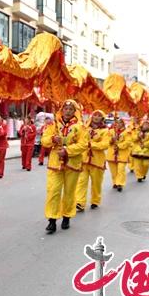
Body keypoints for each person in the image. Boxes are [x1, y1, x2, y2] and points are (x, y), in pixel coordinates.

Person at [41, 100, 88, 234]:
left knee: (69, 192)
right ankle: (52, 220)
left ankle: (67, 216)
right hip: (55, 163)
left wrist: (68, 150)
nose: (68, 111)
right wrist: (52, 140)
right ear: (62, 110)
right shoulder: (53, 125)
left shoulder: (80, 127)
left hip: (72, 164)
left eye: (70, 109)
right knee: (53, 191)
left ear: (75, 112)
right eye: (65, 108)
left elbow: (83, 144)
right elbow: (44, 140)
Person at [74, 110, 111, 211]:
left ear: (102, 118)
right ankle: (80, 203)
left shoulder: (105, 131)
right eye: (95, 115)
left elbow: (105, 145)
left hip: (97, 161)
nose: (96, 117)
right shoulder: (85, 128)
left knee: (96, 183)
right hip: (84, 159)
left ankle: (95, 200)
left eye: (99, 116)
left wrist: (92, 144)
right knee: (82, 182)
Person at [106, 118, 132, 192]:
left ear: (123, 124)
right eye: (117, 123)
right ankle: (115, 182)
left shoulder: (127, 132)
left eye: (120, 123)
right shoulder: (111, 131)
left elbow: (128, 142)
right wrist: (112, 140)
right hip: (112, 154)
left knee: (121, 169)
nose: (118, 124)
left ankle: (120, 183)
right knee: (113, 171)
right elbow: (106, 141)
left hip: (122, 154)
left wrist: (119, 146)